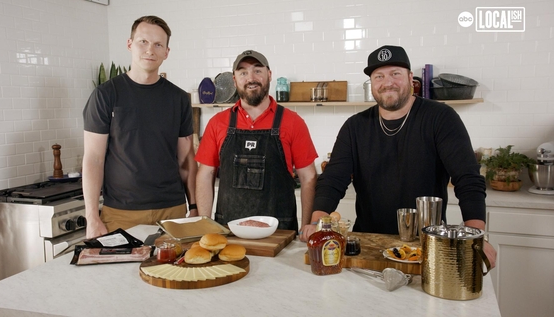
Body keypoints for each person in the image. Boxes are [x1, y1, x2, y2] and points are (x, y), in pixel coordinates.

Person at [307, 45, 497, 267]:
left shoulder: (441, 118)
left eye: (395, 74)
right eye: (379, 76)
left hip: (426, 246)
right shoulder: (355, 127)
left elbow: (468, 179)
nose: (387, 82)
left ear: (410, 78)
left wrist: (476, 237)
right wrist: (316, 224)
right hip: (369, 243)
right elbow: (332, 180)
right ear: (372, 84)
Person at [82, 15, 197, 238]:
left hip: (172, 211)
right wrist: (92, 217)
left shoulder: (179, 98)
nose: (150, 50)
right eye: (143, 42)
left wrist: (193, 207)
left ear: (166, 52)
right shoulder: (105, 95)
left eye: (158, 45)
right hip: (121, 213)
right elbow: (93, 159)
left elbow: (186, 159)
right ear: (129, 44)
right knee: (119, 274)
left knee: (176, 272)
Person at [195, 50, 318, 241]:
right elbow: (205, 174)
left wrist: (306, 226)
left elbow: (308, 177)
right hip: (228, 232)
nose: (251, 78)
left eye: (257, 71)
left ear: (269, 75)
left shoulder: (293, 122)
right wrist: (204, 222)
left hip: (280, 234)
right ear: (235, 80)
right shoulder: (218, 123)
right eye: (243, 72)